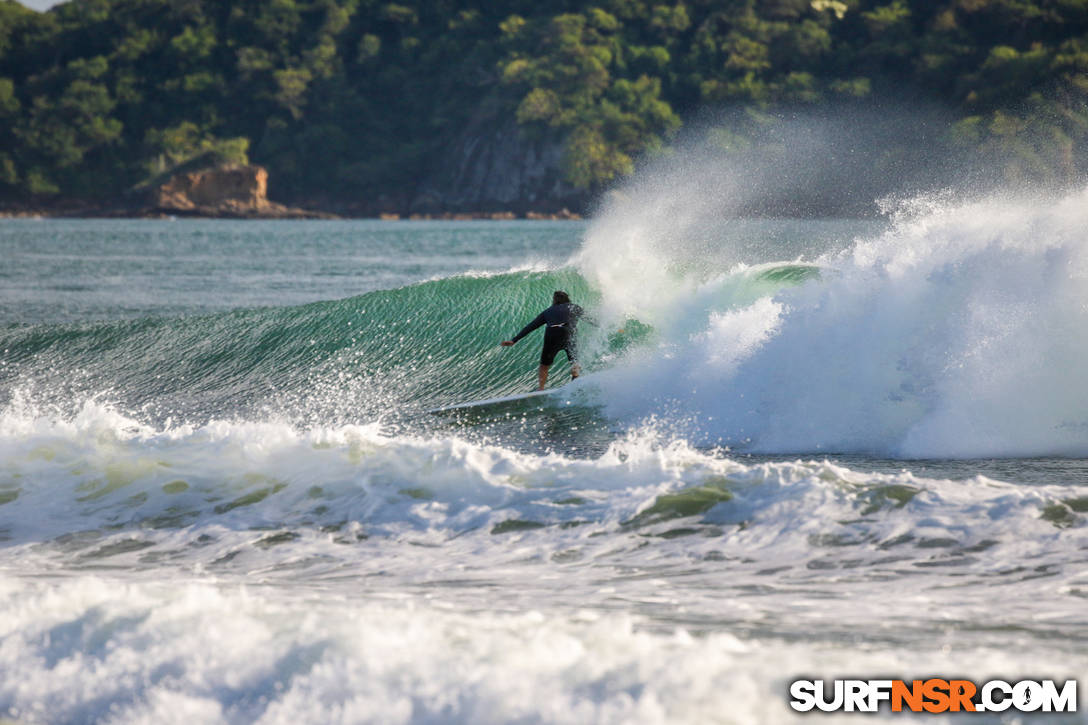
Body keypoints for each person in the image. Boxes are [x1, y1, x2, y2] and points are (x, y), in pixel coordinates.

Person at [501, 290, 586, 390]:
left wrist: (514, 340)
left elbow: (531, 326)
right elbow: (589, 319)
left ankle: (541, 388)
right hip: (569, 332)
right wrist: (603, 325)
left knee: (544, 365)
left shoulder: (548, 311)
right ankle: (575, 381)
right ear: (568, 298)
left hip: (552, 334)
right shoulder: (574, 307)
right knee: (574, 361)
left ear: (554, 300)